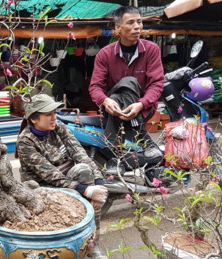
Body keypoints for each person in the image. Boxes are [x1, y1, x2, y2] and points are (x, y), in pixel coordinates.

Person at [16, 94, 108, 259]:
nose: (54, 118)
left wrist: (99, 183)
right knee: (82, 189)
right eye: (48, 114)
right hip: (42, 187)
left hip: (65, 177)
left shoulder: (59, 128)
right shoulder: (25, 142)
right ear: (34, 119)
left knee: (85, 171)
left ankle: (93, 245)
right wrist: (85, 190)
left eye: (54, 112)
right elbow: (52, 176)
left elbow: (81, 155)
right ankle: (72, 246)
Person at [88, 6, 165, 153]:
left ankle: (111, 152)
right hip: (112, 109)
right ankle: (140, 135)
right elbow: (95, 87)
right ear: (118, 27)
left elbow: (157, 83)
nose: (137, 27)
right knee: (119, 94)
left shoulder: (152, 49)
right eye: (131, 22)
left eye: (139, 22)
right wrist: (106, 101)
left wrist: (141, 104)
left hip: (143, 108)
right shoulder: (105, 54)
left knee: (129, 82)